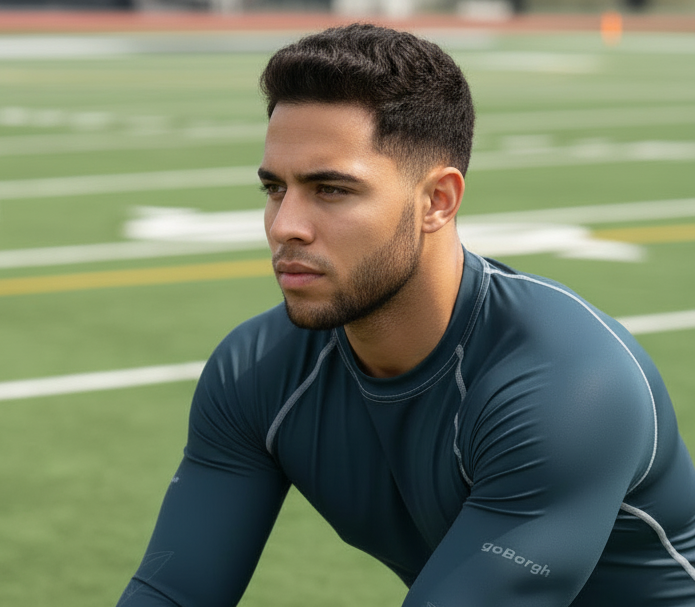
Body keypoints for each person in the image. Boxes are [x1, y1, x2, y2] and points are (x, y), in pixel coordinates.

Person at [116, 24, 695, 606]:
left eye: (331, 189)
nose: (285, 225)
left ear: (437, 201)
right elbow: (172, 591)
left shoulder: (568, 384)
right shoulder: (255, 370)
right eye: (274, 189)